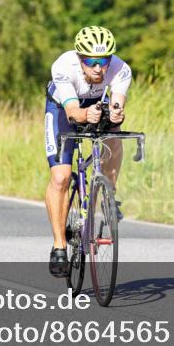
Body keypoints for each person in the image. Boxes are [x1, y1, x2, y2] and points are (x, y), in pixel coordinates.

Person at [44, 26, 132, 277]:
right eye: (91, 61)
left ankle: (108, 193)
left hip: (95, 105)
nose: (98, 68)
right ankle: (59, 245)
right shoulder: (63, 66)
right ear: (80, 58)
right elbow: (73, 112)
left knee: (114, 127)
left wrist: (115, 112)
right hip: (62, 107)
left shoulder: (121, 69)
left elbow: (117, 103)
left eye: (103, 61)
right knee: (60, 177)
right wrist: (85, 114)